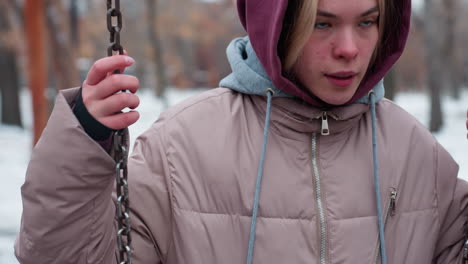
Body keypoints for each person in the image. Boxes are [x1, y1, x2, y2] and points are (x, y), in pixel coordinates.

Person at [15, 0, 468, 263]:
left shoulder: (415, 150)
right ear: (277, 24)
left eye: (366, 21)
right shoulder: (183, 144)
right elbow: (65, 257)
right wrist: (86, 138)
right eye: (322, 23)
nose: (349, 49)